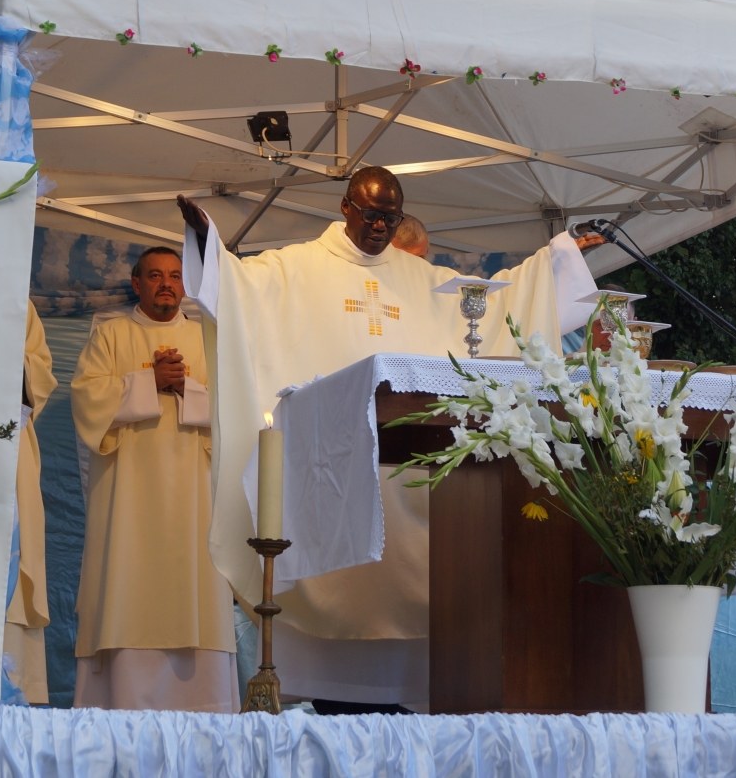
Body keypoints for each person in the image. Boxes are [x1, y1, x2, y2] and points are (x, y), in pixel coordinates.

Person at [177, 166, 599, 710]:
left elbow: (496, 305)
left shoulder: (423, 280)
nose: (380, 226)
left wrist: (557, 260)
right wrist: (206, 238)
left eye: (391, 218)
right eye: (372, 214)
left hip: (412, 483)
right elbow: (234, 288)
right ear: (345, 207)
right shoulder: (292, 270)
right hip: (332, 477)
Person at [70, 246, 237, 711]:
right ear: (136, 283)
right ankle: (123, 703)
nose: (167, 284)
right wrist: (149, 381)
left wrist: (185, 387)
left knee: (196, 586)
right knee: (126, 581)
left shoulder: (207, 338)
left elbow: (235, 406)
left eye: (175, 276)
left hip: (193, 493)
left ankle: (203, 705)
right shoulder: (111, 335)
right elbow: (86, 398)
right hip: (127, 493)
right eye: (156, 276)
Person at [3, 300, 57, 704]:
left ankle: (8, 684)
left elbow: (40, 372)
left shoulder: (18, 300)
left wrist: (5, 356)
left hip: (7, 439)